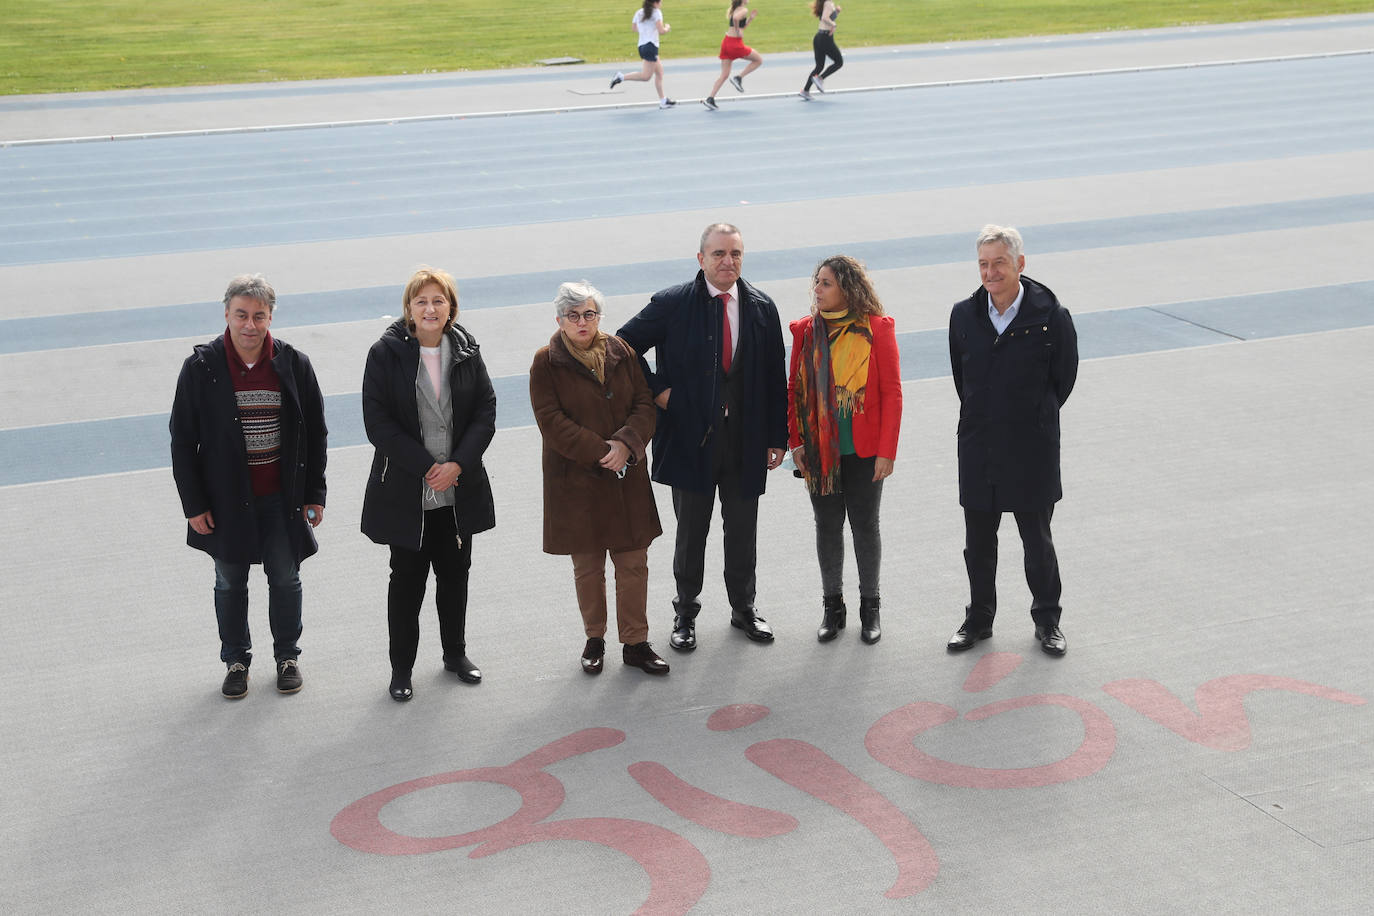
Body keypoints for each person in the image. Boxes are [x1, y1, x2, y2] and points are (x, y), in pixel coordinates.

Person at [618, 223, 788, 651]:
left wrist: (777, 437)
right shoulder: (673, 304)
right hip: (691, 440)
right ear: (701, 259)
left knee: (743, 531)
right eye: (718, 254)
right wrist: (657, 391)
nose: (727, 261)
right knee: (691, 533)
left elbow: (773, 376)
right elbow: (621, 345)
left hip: (746, 441)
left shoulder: (762, 307)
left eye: (735, 253)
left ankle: (744, 609)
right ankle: (685, 613)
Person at [170, 274, 328, 699]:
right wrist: (194, 504)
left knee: (285, 577)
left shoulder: (294, 365)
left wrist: (315, 492)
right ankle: (236, 660)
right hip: (224, 502)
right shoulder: (201, 368)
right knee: (229, 581)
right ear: (226, 314)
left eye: (259, 316)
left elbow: (315, 431)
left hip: (281, 497)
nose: (250, 325)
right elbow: (183, 441)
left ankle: (287, 657)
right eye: (241, 314)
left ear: (270, 317)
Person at [361, 267, 497, 701]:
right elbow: (378, 422)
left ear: (451, 308)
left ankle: (455, 655)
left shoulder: (467, 350)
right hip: (408, 493)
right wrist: (426, 466)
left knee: (455, 577)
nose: (430, 308)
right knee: (406, 583)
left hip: (459, 489)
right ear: (408, 309)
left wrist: (457, 464)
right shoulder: (384, 355)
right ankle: (401, 669)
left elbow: (485, 411)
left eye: (439, 300)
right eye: (421, 301)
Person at [946, 226, 1078, 657]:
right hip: (979, 446)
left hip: (1031, 449)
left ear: (1020, 263)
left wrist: (1034, 416)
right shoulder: (964, 315)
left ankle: (1048, 622)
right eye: (983, 264)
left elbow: (1064, 379)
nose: (990, 272)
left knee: (1037, 543)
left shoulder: (1051, 316)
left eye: (999, 262)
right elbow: (961, 378)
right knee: (978, 544)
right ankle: (979, 619)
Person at [530, 281, 669, 676]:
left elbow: (645, 403)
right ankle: (595, 638)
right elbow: (551, 421)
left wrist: (626, 443)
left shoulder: (621, 351)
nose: (582, 322)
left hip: (626, 477)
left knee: (633, 563)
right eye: (573, 316)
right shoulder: (545, 361)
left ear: (598, 317)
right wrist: (601, 451)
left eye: (589, 314)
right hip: (577, 482)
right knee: (587, 567)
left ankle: (636, 642)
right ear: (559, 320)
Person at [787, 256, 901, 644]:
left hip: (866, 449)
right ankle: (832, 608)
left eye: (826, 283)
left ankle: (871, 607)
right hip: (820, 452)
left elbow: (892, 393)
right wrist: (796, 442)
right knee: (827, 526)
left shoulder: (879, 329)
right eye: (816, 282)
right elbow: (794, 391)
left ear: (847, 288)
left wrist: (887, 450)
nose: (817, 290)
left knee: (866, 526)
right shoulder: (805, 331)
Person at [610, 1, 676, 109]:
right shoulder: (657, 13)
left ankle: (663, 100)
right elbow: (661, 31)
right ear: (655, 2)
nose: (662, 3)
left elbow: (634, 28)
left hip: (642, 46)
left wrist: (645, 30)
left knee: (659, 73)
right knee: (646, 77)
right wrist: (667, 28)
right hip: (651, 46)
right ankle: (621, 77)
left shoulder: (639, 12)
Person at [703, 1, 762, 111]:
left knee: (724, 75)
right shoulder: (743, 10)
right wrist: (737, 30)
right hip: (735, 44)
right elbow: (736, 20)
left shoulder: (736, 8)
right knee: (758, 60)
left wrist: (750, 19)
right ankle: (738, 78)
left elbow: (741, 27)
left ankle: (710, 98)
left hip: (726, 42)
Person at [800, 1, 842, 100]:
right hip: (826, 38)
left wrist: (836, 12)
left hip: (819, 37)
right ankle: (820, 78)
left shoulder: (826, 2)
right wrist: (834, 25)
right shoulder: (828, 3)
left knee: (819, 66)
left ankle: (805, 91)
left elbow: (827, 18)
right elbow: (825, 18)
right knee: (839, 62)